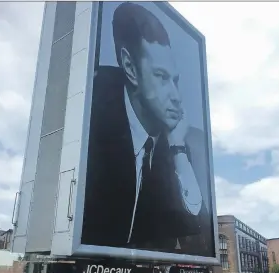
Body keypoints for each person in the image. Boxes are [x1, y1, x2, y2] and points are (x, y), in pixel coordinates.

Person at [81, 2, 212, 255]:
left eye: (175, 80)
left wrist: (178, 149)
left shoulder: (178, 135)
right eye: (161, 77)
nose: (176, 96)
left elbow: (193, 226)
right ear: (130, 68)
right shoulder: (92, 114)